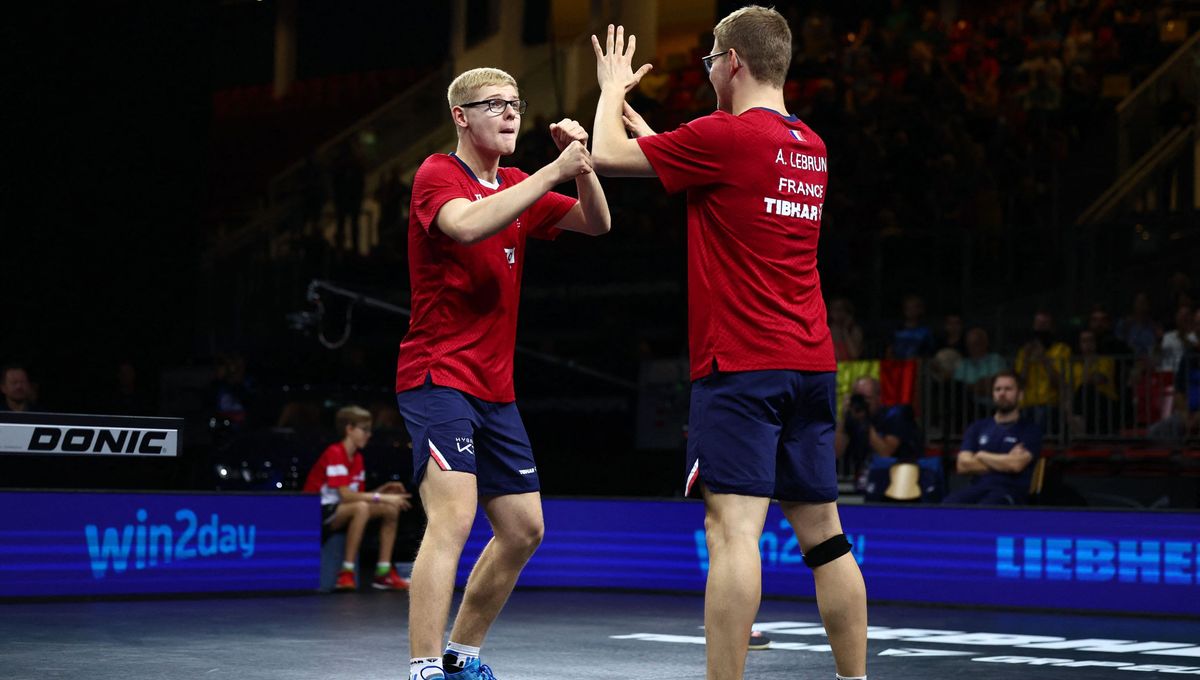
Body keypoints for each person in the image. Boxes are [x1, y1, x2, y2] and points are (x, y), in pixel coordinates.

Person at [591, 9, 867, 680]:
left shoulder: (725, 135)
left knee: (732, 533)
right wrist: (660, 140)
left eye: (712, 58)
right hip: (809, 362)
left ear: (735, 61)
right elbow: (727, 188)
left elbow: (601, 155)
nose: (709, 68)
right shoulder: (811, 146)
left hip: (742, 365)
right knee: (826, 539)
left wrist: (611, 90)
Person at [395, 66, 611, 680]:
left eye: (516, 104)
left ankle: (463, 655)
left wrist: (583, 165)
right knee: (455, 517)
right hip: (439, 376)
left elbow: (596, 224)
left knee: (522, 529)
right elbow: (464, 226)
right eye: (495, 105)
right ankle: (425, 667)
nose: (511, 114)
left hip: (496, 388)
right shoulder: (439, 174)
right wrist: (552, 171)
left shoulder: (515, 182)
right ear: (461, 117)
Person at [302, 405, 412, 591]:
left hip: (341, 509)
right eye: (365, 430)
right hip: (316, 513)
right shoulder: (335, 453)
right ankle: (346, 573)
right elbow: (346, 496)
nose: (369, 435)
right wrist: (382, 497)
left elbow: (357, 496)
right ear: (349, 429)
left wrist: (383, 492)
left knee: (390, 509)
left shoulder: (357, 458)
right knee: (361, 507)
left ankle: (383, 573)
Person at [944, 371, 1041, 505]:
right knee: (948, 506)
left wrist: (981, 455)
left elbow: (1015, 464)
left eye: (1008, 389)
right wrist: (1004, 461)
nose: (1002, 393)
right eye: (998, 389)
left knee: (986, 510)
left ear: (1020, 395)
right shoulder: (977, 427)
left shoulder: (1030, 430)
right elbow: (962, 465)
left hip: (1010, 492)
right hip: (977, 488)